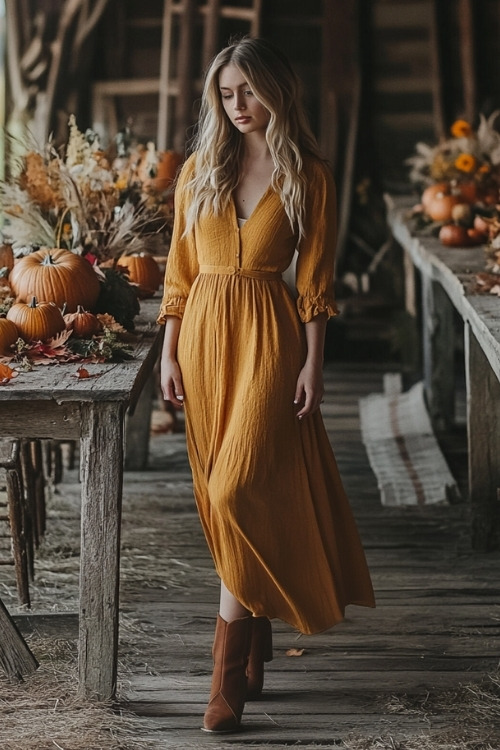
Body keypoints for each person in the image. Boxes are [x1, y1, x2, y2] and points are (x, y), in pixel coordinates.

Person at [158, 36, 375, 734]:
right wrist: (168, 352)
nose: (238, 105)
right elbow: (178, 275)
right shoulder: (199, 169)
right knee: (219, 502)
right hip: (201, 344)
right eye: (226, 94)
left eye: (248, 90)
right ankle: (252, 638)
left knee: (237, 488)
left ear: (276, 91)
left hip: (270, 340)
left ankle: (224, 682)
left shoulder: (309, 175)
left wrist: (315, 363)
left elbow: (314, 283)